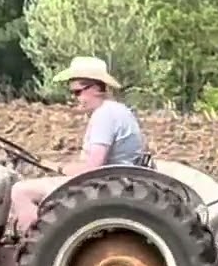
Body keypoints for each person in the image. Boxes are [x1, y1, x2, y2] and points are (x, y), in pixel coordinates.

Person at [8, 56, 146, 235]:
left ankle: (34, 242)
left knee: (20, 191)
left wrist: (60, 167)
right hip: (114, 181)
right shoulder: (118, 110)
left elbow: (93, 168)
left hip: (103, 186)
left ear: (96, 88)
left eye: (77, 92)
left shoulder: (104, 116)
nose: (75, 98)